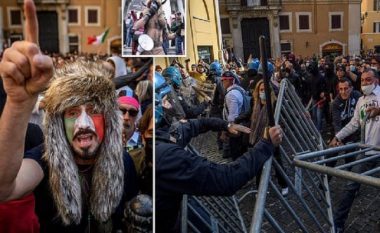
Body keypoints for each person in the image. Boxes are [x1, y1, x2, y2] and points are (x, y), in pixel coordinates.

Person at [0, 1, 138, 232]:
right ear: (59, 122)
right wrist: (18, 104)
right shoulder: (45, 160)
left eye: (93, 111)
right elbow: (4, 189)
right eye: (72, 113)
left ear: (108, 119)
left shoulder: (125, 164)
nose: (83, 124)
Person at [155, 72, 284, 233]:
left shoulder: (162, 136)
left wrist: (225, 125)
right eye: (166, 101)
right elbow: (226, 178)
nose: (171, 104)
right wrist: (265, 144)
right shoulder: (165, 156)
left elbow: (198, 124)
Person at [329, 68, 380, 233]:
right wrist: (338, 136)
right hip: (366, 150)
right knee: (350, 186)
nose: (365, 83)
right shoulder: (361, 101)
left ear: (376, 81)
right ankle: (337, 223)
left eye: (368, 79)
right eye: (363, 80)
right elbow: (354, 123)